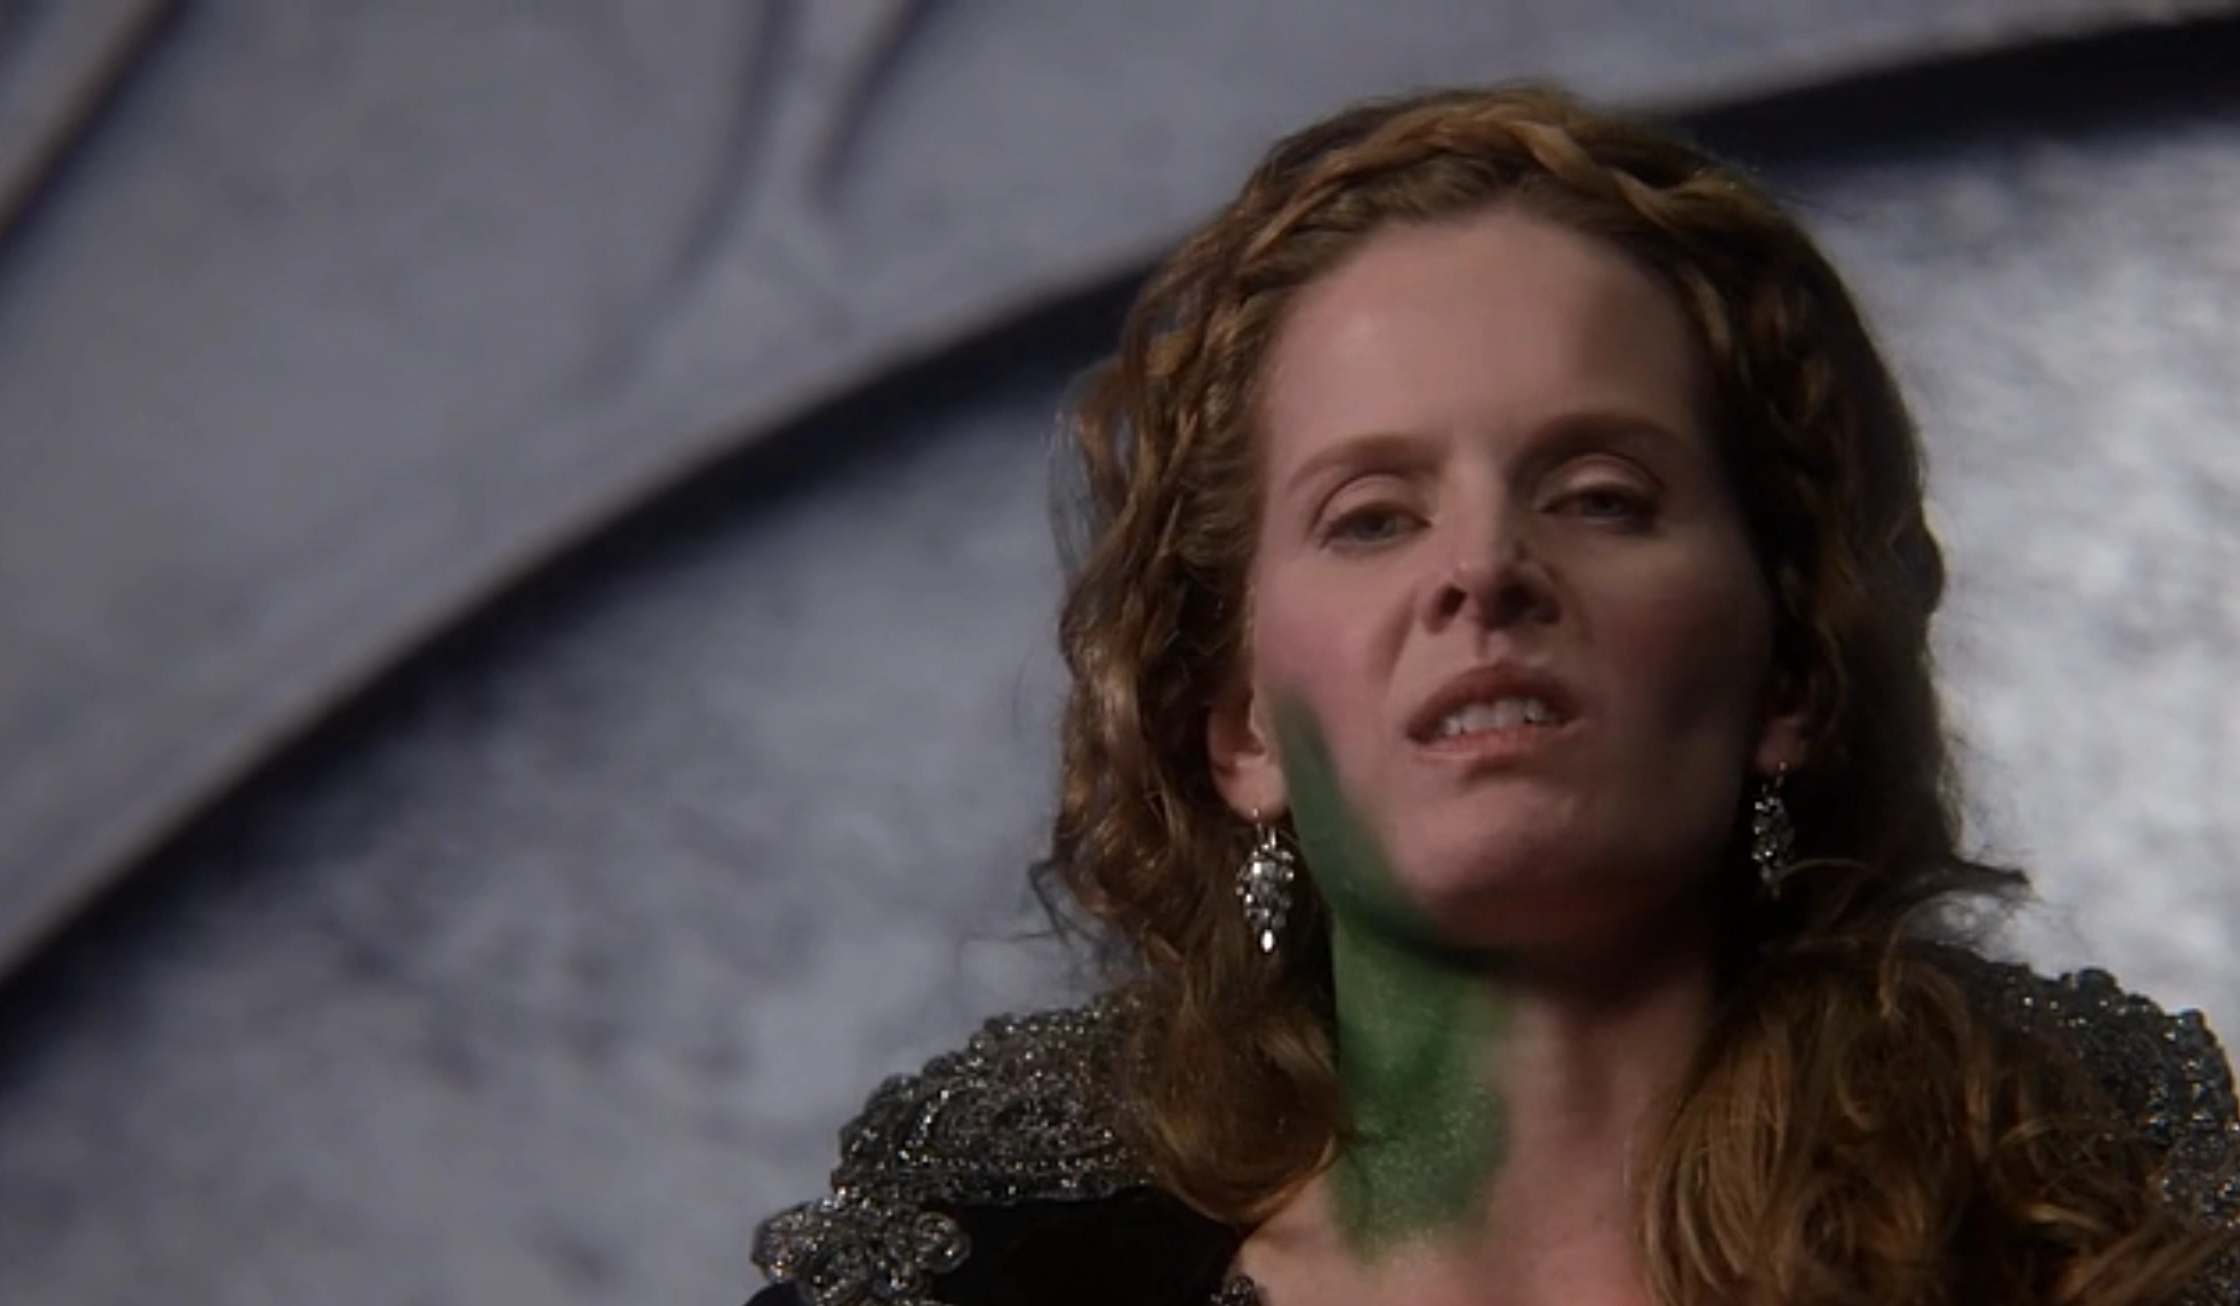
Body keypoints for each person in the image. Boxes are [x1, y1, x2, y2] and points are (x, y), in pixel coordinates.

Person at [744, 85, 2238, 1306]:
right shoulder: (984, 1275)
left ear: (1791, 671)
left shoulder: (2110, 1221)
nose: (1483, 570)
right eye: (1372, 517)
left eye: (1599, 496)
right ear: (1240, 727)